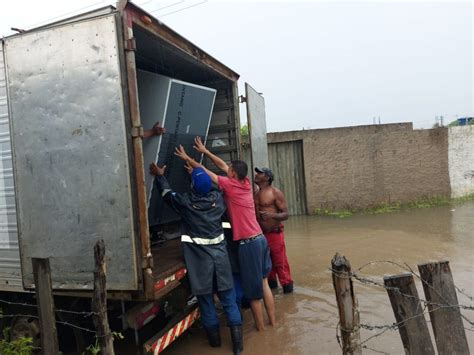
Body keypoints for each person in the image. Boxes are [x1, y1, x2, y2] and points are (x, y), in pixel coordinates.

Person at [174, 137, 275, 331]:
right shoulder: (245, 183)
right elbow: (221, 165)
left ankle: (262, 333)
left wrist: (188, 158)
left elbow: (208, 172)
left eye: (229, 170)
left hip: (249, 244)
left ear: (233, 174)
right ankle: (273, 324)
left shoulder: (229, 186)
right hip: (261, 239)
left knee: (253, 296)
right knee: (264, 284)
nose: (226, 169)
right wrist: (205, 151)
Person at [149, 162, 243, 354]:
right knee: (228, 300)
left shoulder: (186, 203)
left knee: (206, 301)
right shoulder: (219, 199)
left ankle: (215, 344)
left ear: (192, 186)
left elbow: (167, 195)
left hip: (200, 263)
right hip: (221, 260)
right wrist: (199, 175)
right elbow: (216, 187)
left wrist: (160, 176)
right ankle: (238, 348)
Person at [254, 167, 294, 293]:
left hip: (275, 234)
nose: (256, 174)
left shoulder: (275, 192)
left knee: (280, 263)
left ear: (267, 177)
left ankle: (288, 292)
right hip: (261, 235)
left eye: (260, 173)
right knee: (267, 265)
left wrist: (272, 215)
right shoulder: (255, 193)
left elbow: (286, 214)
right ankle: (273, 292)